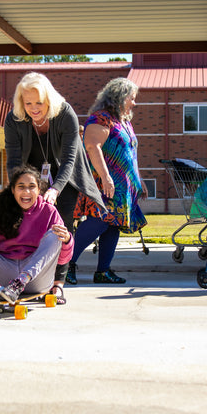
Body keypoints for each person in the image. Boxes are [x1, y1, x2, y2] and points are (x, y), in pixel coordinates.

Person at [66, 77, 148, 285]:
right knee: (99, 221)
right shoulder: (101, 119)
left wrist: (139, 181)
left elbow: (131, 153)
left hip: (122, 187)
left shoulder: (125, 122)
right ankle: (65, 264)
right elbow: (92, 146)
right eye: (132, 98)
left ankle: (103, 271)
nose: (134, 103)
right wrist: (106, 177)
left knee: (113, 225)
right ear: (119, 97)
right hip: (103, 184)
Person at [4, 72, 106, 234]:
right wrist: (20, 187)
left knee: (63, 220)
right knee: (33, 221)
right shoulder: (13, 119)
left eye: (39, 102)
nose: (33, 108)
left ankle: (64, 259)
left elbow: (69, 158)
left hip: (65, 175)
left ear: (49, 100)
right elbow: (14, 161)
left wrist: (55, 189)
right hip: (32, 175)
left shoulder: (65, 114)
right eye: (28, 103)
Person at [0, 165, 73, 306]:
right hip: (3, 272)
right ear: (13, 190)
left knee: (56, 234)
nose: (26, 191)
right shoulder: (0, 210)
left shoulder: (49, 211)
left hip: (35, 278)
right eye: (21, 186)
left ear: (39, 190)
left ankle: (20, 283)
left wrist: (67, 240)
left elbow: (63, 260)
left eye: (32, 186)